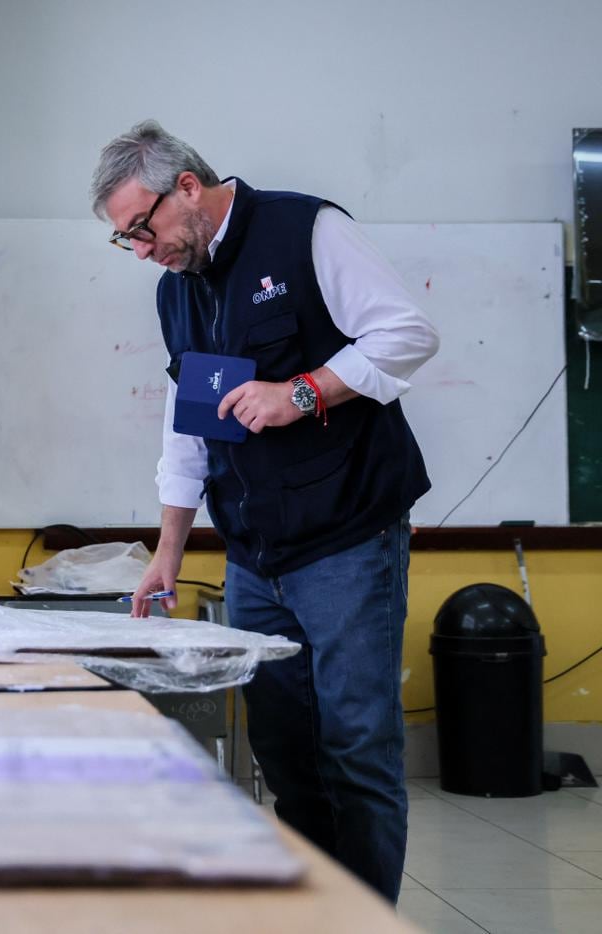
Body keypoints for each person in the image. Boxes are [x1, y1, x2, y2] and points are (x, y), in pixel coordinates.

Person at [89, 119, 439, 904]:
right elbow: (188, 428)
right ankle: (319, 910)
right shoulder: (175, 293)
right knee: (283, 752)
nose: (142, 251)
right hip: (254, 557)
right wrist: (167, 552)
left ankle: (368, 918)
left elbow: (407, 335)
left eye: (141, 230)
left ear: (188, 189)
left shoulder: (306, 230)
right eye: (126, 241)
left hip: (347, 538)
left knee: (356, 747)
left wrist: (302, 391)